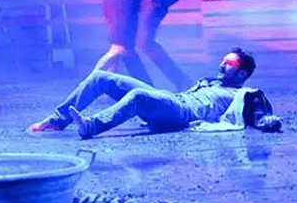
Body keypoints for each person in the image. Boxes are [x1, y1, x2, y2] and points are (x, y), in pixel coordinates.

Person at [28, 48, 282, 138]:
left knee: (139, 97)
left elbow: (261, 113)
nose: (221, 64)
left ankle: (91, 127)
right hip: (172, 102)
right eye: (223, 60)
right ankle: (57, 120)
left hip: (182, 113)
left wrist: (267, 122)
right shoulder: (209, 82)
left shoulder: (244, 94)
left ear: (242, 73)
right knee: (100, 78)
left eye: (229, 63)